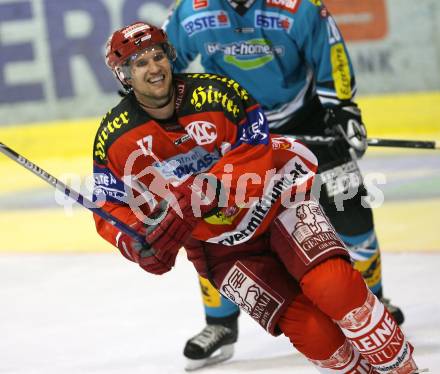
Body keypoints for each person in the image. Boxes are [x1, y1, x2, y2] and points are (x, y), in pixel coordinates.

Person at [93, 21, 418, 374]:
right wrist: (135, 240)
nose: (154, 68)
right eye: (140, 63)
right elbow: (110, 206)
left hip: (277, 205)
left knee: (336, 287)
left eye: (158, 56)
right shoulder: (114, 139)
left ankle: (404, 369)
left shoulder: (218, 94)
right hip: (219, 247)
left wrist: (211, 188)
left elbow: (254, 147)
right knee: (312, 332)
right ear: (124, 75)